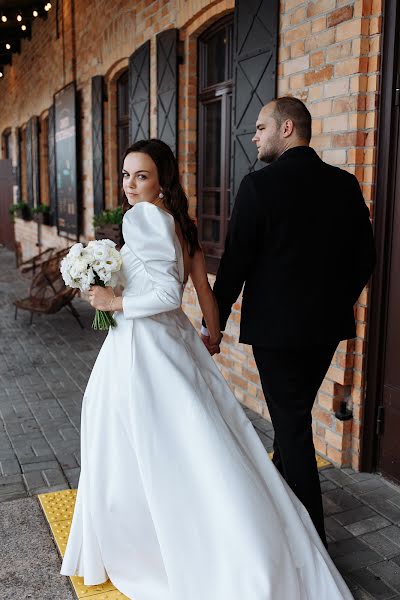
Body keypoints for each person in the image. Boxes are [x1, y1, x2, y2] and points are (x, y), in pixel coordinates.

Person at [61, 138, 354, 599]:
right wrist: (212, 337)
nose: (130, 186)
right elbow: (202, 288)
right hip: (174, 343)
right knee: (199, 441)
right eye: (125, 175)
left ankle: (155, 545)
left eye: (142, 176)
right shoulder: (181, 224)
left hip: (145, 349)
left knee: (145, 443)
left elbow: (162, 297)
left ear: (162, 180)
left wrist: (111, 299)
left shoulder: (142, 218)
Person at [201, 97, 375, 547]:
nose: (254, 136)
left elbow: (235, 264)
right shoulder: (345, 184)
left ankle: (311, 543)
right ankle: (280, 510)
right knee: (290, 420)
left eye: (261, 127)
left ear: (287, 128)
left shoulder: (258, 187)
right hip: (326, 331)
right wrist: (333, 302)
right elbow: (366, 260)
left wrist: (213, 323)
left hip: (277, 335)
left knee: (292, 427)